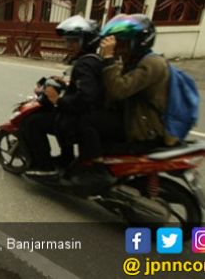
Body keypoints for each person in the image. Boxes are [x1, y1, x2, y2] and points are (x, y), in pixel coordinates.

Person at [20, 15, 105, 173]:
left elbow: (85, 98)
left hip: (79, 119)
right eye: (68, 41)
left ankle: (45, 167)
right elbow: (88, 87)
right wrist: (66, 83)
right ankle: (66, 158)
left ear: (86, 41)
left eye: (74, 41)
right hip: (88, 116)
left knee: (32, 123)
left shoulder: (84, 64)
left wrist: (57, 100)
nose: (69, 45)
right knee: (55, 116)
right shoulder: (93, 59)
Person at [98, 13, 171, 149]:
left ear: (139, 42)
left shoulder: (152, 63)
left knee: (89, 122)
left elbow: (118, 91)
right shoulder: (133, 61)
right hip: (132, 119)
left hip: (145, 130)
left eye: (124, 43)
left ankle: (95, 166)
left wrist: (109, 57)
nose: (119, 47)